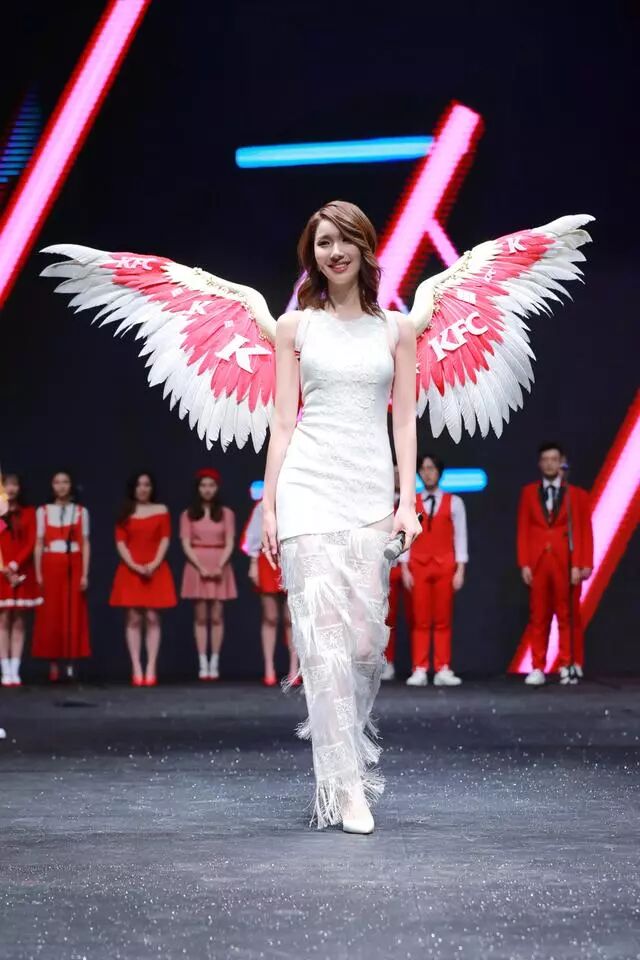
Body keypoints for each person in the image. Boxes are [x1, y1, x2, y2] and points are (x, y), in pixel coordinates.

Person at [261, 200, 422, 834]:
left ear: (365, 247)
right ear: (313, 254)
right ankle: (346, 787)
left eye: (345, 239)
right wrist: (270, 503)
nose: (335, 251)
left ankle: (342, 768)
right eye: (324, 242)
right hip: (307, 487)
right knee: (322, 643)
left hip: (370, 492)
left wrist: (407, 501)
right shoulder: (295, 327)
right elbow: (282, 420)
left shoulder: (396, 330)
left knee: (362, 645)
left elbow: (404, 422)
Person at [517, 443, 593, 686]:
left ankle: (567, 663)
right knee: (538, 616)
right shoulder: (529, 492)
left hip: (566, 563)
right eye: (546, 459)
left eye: (554, 459)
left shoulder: (576, 495)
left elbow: (584, 530)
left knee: (567, 615)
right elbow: (524, 529)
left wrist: (583, 563)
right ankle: (537, 666)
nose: (550, 463)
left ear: (562, 463)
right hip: (539, 562)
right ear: (540, 463)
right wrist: (524, 563)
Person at [403, 454, 467, 687]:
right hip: (418, 566)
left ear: (439, 472)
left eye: (431, 468)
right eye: (423, 469)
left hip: (445, 566)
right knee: (420, 620)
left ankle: (442, 668)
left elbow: (460, 537)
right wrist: (405, 567)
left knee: (442, 619)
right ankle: (420, 668)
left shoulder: (455, 502)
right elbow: (406, 536)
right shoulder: (411, 502)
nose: (427, 473)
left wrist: (460, 569)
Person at [109, 472, 177, 686]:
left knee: (153, 618)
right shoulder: (125, 512)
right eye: (139, 485)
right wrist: (135, 565)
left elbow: (165, 539)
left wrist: (154, 563)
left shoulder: (161, 510)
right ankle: (136, 666)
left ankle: (151, 666)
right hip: (131, 569)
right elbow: (121, 543)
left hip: (155, 567)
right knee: (133, 619)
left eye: (147, 484)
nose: (143, 488)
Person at [32, 470, 91, 681]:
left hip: (73, 563)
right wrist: (38, 572)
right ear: (52, 486)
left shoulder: (80, 511)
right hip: (51, 563)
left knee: (73, 612)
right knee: (52, 614)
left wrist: (85, 573)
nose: (61, 486)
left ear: (71, 485)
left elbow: (85, 543)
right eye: (57, 482)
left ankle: (71, 661)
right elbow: (39, 543)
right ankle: (53, 663)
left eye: (65, 482)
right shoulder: (43, 511)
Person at [180, 468, 237, 681]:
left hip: (219, 563)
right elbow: (186, 543)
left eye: (211, 485)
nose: (207, 489)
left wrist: (220, 565)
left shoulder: (226, 514)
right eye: (203, 485)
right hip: (197, 564)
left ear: (217, 488)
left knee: (217, 616)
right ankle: (202, 660)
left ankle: (215, 660)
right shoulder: (188, 514)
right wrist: (200, 566)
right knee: (201, 616)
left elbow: (230, 542)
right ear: (198, 488)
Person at [243, 497, 299, 687]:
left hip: (293, 560)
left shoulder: (297, 500)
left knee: (292, 618)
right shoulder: (263, 505)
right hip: (267, 560)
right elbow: (253, 534)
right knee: (270, 617)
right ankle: (269, 667)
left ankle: (294, 669)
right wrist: (253, 563)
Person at [0, 473, 43, 686]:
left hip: (21, 570)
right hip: (1, 572)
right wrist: (4, 568)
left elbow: (31, 541)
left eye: (14, 485)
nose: (11, 489)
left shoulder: (28, 513)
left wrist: (15, 565)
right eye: (6, 485)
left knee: (18, 620)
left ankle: (15, 669)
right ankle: (5, 669)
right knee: (3, 620)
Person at [381, 465, 414, 681]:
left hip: (413, 567)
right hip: (387, 566)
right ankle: (387, 662)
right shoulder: (381, 503)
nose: (396, 477)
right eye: (393, 473)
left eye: (400, 473)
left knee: (416, 616)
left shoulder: (414, 501)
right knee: (386, 617)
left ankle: (419, 665)